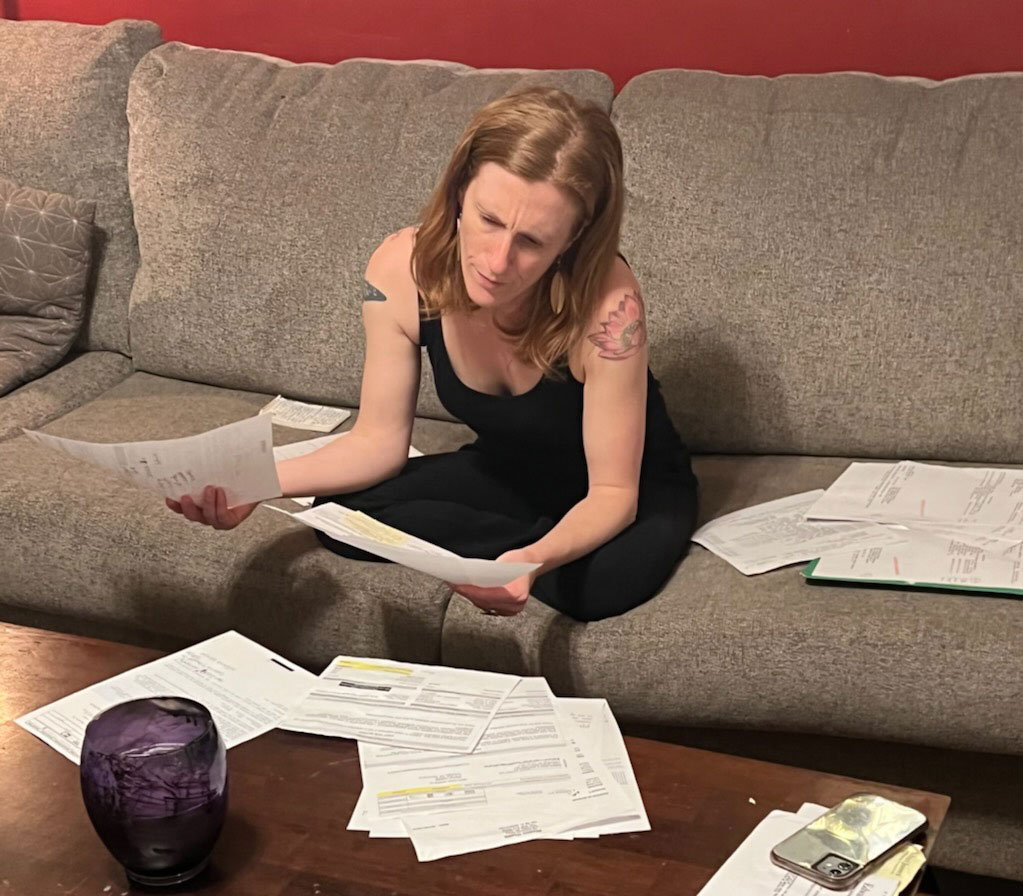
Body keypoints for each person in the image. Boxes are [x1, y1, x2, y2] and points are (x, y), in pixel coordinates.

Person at [167, 86, 698, 622]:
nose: (498, 261)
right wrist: (253, 482)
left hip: (629, 489)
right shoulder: (399, 268)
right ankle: (515, 549)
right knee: (341, 518)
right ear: (461, 189)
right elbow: (376, 443)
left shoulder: (609, 303)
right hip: (508, 472)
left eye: (532, 241)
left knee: (600, 588)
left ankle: (526, 551)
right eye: (490, 220)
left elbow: (613, 493)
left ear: (574, 237)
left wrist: (532, 560)